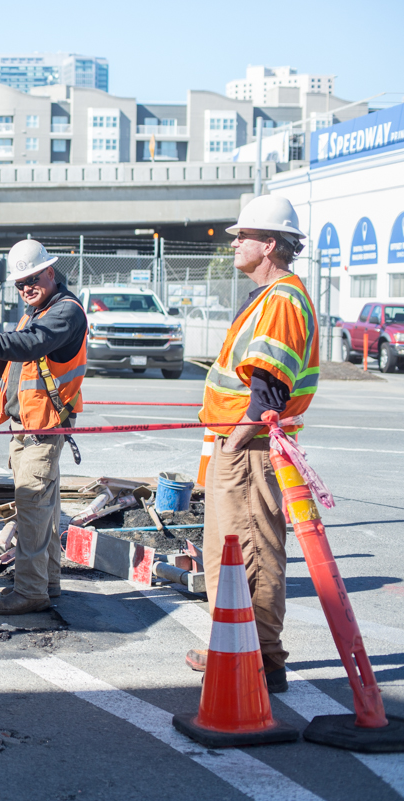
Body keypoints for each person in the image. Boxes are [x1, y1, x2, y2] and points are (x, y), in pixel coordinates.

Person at [188, 195, 318, 694]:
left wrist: (235, 442)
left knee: (252, 553)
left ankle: (262, 657)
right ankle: (233, 646)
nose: (234, 243)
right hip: (239, 445)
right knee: (227, 555)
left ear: (269, 244)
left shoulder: (281, 299)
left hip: (250, 448)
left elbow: (268, 395)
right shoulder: (269, 297)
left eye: (243, 235)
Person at [0, 240, 87, 615]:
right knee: (44, 511)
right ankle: (47, 582)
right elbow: (13, 363)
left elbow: (32, 344)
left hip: (44, 427)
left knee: (31, 509)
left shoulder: (65, 311)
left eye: (33, 279)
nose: (26, 287)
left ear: (50, 273)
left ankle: (30, 591)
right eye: (20, 283)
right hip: (27, 425)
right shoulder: (37, 312)